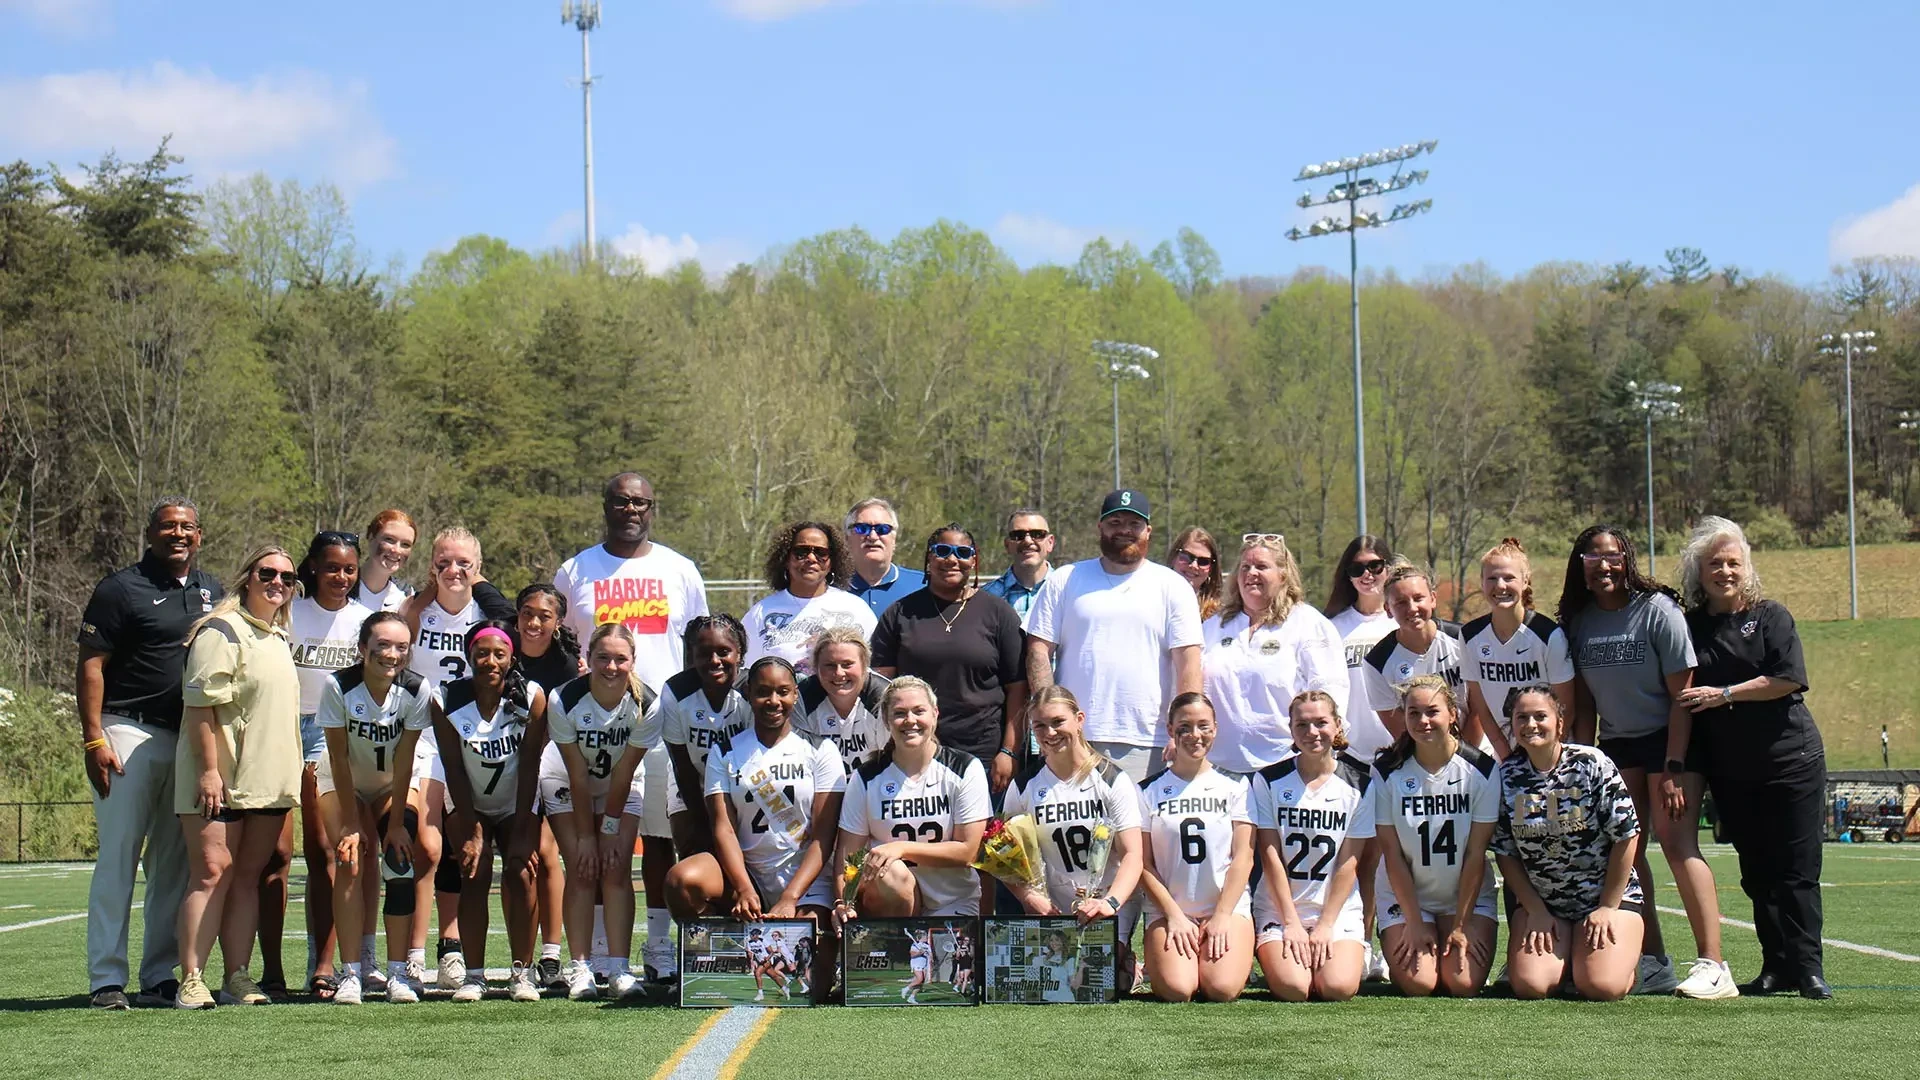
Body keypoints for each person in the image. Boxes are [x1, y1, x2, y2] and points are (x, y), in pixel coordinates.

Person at [1559, 524, 1732, 999]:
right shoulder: (1581, 622)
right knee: (1627, 855)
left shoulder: (1657, 610)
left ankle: (1714, 964)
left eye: (1613, 556)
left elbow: (1683, 697)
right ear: (1580, 565)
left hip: (1670, 742)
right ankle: (1655, 961)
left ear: (1628, 559)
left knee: (1677, 846)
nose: (1604, 566)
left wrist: (1673, 768)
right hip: (1617, 746)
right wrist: (1581, 762)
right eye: (1593, 558)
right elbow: (1585, 705)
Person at [551, 473, 709, 983]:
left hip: (661, 721)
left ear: (652, 507)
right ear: (606, 505)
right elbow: (560, 644)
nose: (631, 509)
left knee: (661, 836)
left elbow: (698, 648)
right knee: (598, 837)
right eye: (621, 500)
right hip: (594, 724)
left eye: (641, 501)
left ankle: (659, 946)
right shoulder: (575, 570)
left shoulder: (680, 569)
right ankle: (599, 950)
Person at [77, 496, 222, 1010]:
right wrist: (93, 737)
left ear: (199, 535)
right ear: (150, 533)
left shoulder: (213, 590)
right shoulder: (120, 588)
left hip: (186, 739)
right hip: (127, 731)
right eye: (167, 526)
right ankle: (106, 979)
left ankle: (159, 974)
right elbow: (91, 665)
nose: (178, 534)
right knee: (119, 856)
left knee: (173, 864)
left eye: (187, 527)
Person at [1678, 516, 1829, 999]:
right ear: (1699, 572)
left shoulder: (1771, 616)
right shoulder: (1690, 625)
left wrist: (1724, 693)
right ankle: (1776, 966)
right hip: (1732, 770)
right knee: (1757, 872)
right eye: (1714, 564)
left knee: (1796, 871)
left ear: (1746, 567)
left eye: (1732, 562)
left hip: (1792, 761)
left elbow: (1787, 678)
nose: (1724, 571)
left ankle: (1808, 968)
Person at [664, 657, 846, 1000]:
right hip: (747, 877)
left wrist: (790, 897)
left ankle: (823, 960)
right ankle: (715, 957)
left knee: (811, 991)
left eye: (782, 692)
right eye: (763, 692)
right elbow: (723, 829)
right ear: (748, 694)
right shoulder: (726, 751)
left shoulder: (822, 750)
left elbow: (824, 836)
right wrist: (744, 888)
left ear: (795, 695)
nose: (773, 701)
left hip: (806, 884)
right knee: (682, 880)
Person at [173, 545, 304, 1009]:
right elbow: (200, 707)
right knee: (212, 872)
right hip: (222, 775)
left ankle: (237, 977)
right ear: (248, 576)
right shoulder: (220, 630)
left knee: (247, 877)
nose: (277, 583)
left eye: (287, 577)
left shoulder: (279, 637)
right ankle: (191, 978)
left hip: (267, 779)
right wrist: (209, 771)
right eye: (268, 573)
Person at [399, 526, 514, 990]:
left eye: (464, 562)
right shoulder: (414, 609)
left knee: (458, 844)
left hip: (473, 738)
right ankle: (412, 954)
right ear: (431, 565)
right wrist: (431, 588)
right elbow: (402, 626)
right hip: (425, 736)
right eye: (443, 561)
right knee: (426, 845)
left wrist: (475, 579)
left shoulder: (487, 613)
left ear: (478, 567)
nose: (453, 570)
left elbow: (509, 621)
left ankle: (451, 947)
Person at [1023, 489, 1203, 782]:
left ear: (1148, 531)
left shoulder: (1173, 586)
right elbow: (1038, 650)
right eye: (1115, 522)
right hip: (1074, 738)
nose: (1124, 530)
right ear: (1100, 527)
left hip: (1150, 740)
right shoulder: (1065, 579)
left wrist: (1182, 729)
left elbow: (1189, 662)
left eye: (1134, 524)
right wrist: (1048, 719)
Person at [1493, 686, 1646, 1002]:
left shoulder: (1591, 763)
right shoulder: (1506, 776)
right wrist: (1535, 910)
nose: (1531, 725)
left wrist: (1607, 906)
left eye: (1540, 716)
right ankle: (1571, 959)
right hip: (1546, 906)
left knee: (1602, 987)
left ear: (1559, 722)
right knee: (1531, 985)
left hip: (1604, 900)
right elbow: (1506, 854)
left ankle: (1625, 964)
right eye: (1522, 717)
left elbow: (1626, 835)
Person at [314, 611, 435, 1005]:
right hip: (342, 779)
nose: (392, 654)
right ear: (363, 648)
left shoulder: (416, 688)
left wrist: (397, 824)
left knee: (400, 860)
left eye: (401, 647)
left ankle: (398, 972)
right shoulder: (338, 686)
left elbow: (405, 759)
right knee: (349, 859)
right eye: (383, 645)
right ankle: (351, 973)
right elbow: (338, 756)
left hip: (391, 782)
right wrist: (351, 823)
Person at [433, 621, 549, 1003]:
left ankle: (522, 972)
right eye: (482, 653)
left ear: (511, 658)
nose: (490, 661)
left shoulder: (531, 696)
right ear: (470, 656)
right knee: (475, 869)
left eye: (499, 654)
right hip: (468, 800)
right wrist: (472, 830)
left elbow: (530, 765)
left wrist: (524, 828)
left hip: (517, 799)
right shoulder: (445, 698)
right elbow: (452, 766)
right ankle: (474, 975)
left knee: (521, 869)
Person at [1002, 686, 1145, 989]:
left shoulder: (1111, 779)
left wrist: (1110, 902)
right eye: (1040, 725)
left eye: (1058, 722)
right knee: (1052, 982)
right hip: (1053, 905)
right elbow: (1005, 856)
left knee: (1089, 983)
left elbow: (1133, 855)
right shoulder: (1025, 785)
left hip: (1105, 903)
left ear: (1079, 720)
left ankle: (1125, 959)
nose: (1050, 733)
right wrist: (1029, 898)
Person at [541, 623, 654, 1000]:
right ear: (587, 659)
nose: (611, 666)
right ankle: (581, 968)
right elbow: (576, 773)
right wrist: (587, 837)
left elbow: (624, 772)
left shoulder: (647, 704)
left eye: (620, 659)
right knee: (581, 865)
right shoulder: (564, 699)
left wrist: (607, 830)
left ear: (633, 661)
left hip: (619, 784)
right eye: (602, 657)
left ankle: (620, 969)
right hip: (566, 779)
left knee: (616, 865)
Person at [1370, 676, 1500, 998]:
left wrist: (1460, 924)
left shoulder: (1482, 769)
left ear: (1453, 714)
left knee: (1462, 983)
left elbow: (1476, 853)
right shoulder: (1387, 770)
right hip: (1407, 897)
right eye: (1413, 713)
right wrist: (1414, 921)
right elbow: (1392, 853)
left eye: (1432, 711)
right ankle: (1410, 931)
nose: (1423, 721)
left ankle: (1446, 931)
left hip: (1465, 897)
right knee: (1420, 984)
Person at [870, 524, 1029, 786]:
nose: (952, 559)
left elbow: (1018, 689)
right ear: (929, 558)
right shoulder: (900, 613)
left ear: (974, 561)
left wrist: (1009, 751)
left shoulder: (998, 613)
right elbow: (880, 687)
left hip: (983, 754)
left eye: (962, 552)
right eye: (942, 551)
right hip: (914, 751)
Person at [287, 530, 374, 999]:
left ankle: (327, 965)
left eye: (349, 569)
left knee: (329, 848)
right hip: (284, 726)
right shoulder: (291, 611)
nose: (341, 576)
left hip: (334, 730)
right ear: (314, 568)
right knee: (285, 852)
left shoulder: (364, 619)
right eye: (332, 568)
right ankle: (283, 968)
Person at [830, 677, 992, 928]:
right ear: (886, 721)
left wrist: (901, 848)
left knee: (945, 955)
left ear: (935, 714)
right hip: (890, 898)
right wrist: (843, 903)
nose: (910, 720)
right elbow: (847, 859)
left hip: (952, 898)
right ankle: (892, 941)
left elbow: (968, 851)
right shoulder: (866, 777)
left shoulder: (965, 768)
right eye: (899, 713)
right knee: (893, 872)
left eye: (919, 711)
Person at [1248, 691, 1373, 1003]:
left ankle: (1342, 952)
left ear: (1338, 725)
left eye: (1321, 723)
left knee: (1337, 987)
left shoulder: (1361, 783)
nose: (1312, 732)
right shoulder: (1268, 780)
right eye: (1302, 724)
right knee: (1294, 988)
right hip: (1280, 906)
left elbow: (1349, 862)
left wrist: (1326, 925)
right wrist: (1291, 922)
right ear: (1290, 729)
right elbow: (1270, 855)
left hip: (1335, 908)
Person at [1137, 693, 1256, 1002]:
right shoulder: (1147, 791)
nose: (1195, 735)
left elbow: (1244, 857)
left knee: (1222, 988)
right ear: (1170, 730)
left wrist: (1222, 916)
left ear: (1215, 728)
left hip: (1225, 907)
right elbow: (1143, 864)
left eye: (1203, 726)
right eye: (1184, 727)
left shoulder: (1237, 786)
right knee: (1178, 989)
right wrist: (1174, 915)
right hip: (1170, 910)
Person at [1201, 534, 1347, 772]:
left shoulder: (1308, 623)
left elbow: (1330, 693)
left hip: (1285, 766)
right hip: (1218, 768)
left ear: (1283, 575)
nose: (1251, 573)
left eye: (1261, 567)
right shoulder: (1213, 627)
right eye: (1245, 567)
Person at [1322, 534, 1397, 981]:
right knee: (1360, 861)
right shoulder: (1332, 627)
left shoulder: (1400, 621)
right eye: (1357, 568)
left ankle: (1391, 946)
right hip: (1351, 760)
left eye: (1376, 565)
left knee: (1395, 860)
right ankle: (1362, 945)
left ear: (1389, 567)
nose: (1367, 575)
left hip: (1397, 757)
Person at [511, 582, 579, 985]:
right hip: (503, 760)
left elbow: (558, 727)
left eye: (544, 616)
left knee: (547, 852)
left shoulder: (565, 666)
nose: (534, 623)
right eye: (527, 614)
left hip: (549, 761)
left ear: (558, 622)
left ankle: (551, 955)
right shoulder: (502, 650)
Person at [1461, 539, 1575, 759]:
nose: (1500, 586)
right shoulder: (1469, 636)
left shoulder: (1549, 635)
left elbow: (1566, 709)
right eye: (1492, 578)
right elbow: (1482, 710)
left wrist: (1546, 756)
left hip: (1553, 753)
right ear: (1482, 582)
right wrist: (1509, 759)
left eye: (1509, 578)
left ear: (1525, 581)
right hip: (1506, 755)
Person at [659, 615, 754, 861]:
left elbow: (759, 760)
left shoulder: (752, 688)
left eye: (723, 652)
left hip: (745, 785)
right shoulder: (675, 692)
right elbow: (681, 765)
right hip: (693, 783)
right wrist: (703, 824)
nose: (714, 660)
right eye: (704, 653)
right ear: (692, 655)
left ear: (739, 653)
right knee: (693, 846)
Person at [742, 521, 876, 675]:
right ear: (786, 558)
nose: (811, 558)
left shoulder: (857, 609)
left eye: (821, 553)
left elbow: (874, 670)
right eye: (801, 552)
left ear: (832, 561)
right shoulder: (760, 613)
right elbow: (747, 674)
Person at [1361, 563, 1464, 744]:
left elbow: (1479, 708)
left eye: (1418, 598)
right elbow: (1401, 732)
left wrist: (1463, 754)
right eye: (1401, 602)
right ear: (1388, 609)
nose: (1412, 608)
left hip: (1475, 749)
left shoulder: (1464, 640)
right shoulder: (1376, 662)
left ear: (1432, 599)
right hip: (1422, 752)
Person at [796, 627, 891, 776]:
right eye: (830, 665)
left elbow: (896, 763)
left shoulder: (885, 697)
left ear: (865, 666)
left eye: (847, 664)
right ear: (816, 668)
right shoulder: (802, 697)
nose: (839, 673)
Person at [845, 497, 926, 617]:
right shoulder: (827, 588)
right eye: (862, 528)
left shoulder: (923, 586)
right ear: (847, 539)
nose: (873, 536)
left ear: (894, 539)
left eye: (882, 529)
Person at [982, 509, 1054, 620]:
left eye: (1037, 534)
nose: (1028, 541)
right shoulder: (985, 598)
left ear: (1050, 543)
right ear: (1007, 545)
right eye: (1018, 535)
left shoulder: (1069, 591)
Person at [350, 509, 416, 612]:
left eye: (405, 544)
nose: (396, 550)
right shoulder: (342, 585)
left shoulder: (406, 596)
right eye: (389, 539)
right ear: (371, 537)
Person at [1167, 527, 1225, 622]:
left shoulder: (1219, 615)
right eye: (1186, 556)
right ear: (1174, 557)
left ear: (1212, 569)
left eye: (1203, 561)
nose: (1194, 566)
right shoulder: (1151, 599)